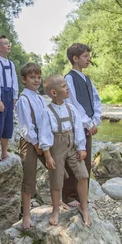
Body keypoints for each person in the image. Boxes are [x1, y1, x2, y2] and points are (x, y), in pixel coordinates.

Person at [39, 75, 90, 227]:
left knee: (83, 175)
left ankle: (84, 207)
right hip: (56, 145)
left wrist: (81, 147)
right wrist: (47, 155)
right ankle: (55, 209)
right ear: (53, 93)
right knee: (57, 178)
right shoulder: (47, 112)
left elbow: (78, 129)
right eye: (63, 86)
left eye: (66, 85)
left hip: (72, 144)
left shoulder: (71, 108)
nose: (67, 88)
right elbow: (44, 134)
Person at [63, 43, 102, 207]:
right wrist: (87, 122)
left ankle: (82, 195)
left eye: (88, 56)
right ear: (75, 58)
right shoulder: (69, 78)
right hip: (76, 127)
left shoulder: (87, 79)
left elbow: (96, 99)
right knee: (74, 159)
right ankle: (69, 196)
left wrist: (95, 120)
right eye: (86, 56)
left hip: (87, 127)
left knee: (85, 160)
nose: (89, 59)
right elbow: (73, 104)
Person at [16, 63, 47, 229]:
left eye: (38, 77)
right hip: (29, 142)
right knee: (29, 177)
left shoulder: (41, 98)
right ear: (23, 79)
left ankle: (59, 202)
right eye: (32, 77)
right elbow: (25, 126)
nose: (36, 80)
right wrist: (35, 143)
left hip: (43, 140)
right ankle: (26, 214)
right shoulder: (23, 99)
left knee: (56, 167)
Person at [0, 35, 19, 161]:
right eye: (5, 44)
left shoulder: (11, 64)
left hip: (9, 95)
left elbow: (14, 80)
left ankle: (4, 152)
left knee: (8, 125)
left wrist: (15, 97)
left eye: (9, 43)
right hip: (0, 95)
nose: (9, 45)